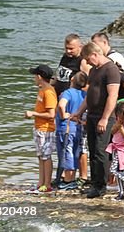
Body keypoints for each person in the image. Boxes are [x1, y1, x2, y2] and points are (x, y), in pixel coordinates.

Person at [76, 42, 120, 199]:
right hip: (92, 115)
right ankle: (95, 183)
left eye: (88, 59)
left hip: (104, 116)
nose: (87, 62)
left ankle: (101, 185)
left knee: (101, 151)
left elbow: (113, 95)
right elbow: (90, 95)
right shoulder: (94, 70)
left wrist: (105, 118)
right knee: (93, 150)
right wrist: (79, 112)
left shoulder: (111, 69)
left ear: (95, 54)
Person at [26, 64, 57, 193]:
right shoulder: (42, 89)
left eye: (35, 76)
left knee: (46, 156)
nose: (34, 78)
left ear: (39, 77)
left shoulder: (48, 92)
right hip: (39, 128)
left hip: (46, 129)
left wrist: (34, 114)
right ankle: (41, 182)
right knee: (40, 156)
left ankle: (47, 184)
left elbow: (51, 114)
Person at [56, 71, 86, 191]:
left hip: (66, 127)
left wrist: (63, 115)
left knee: (66, 152)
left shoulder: (67, 93)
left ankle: (68, 180)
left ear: (72, 79)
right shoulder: (84, 94)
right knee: (75, 152)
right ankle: (72, 178)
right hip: (78, 127)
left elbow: (61, 105)